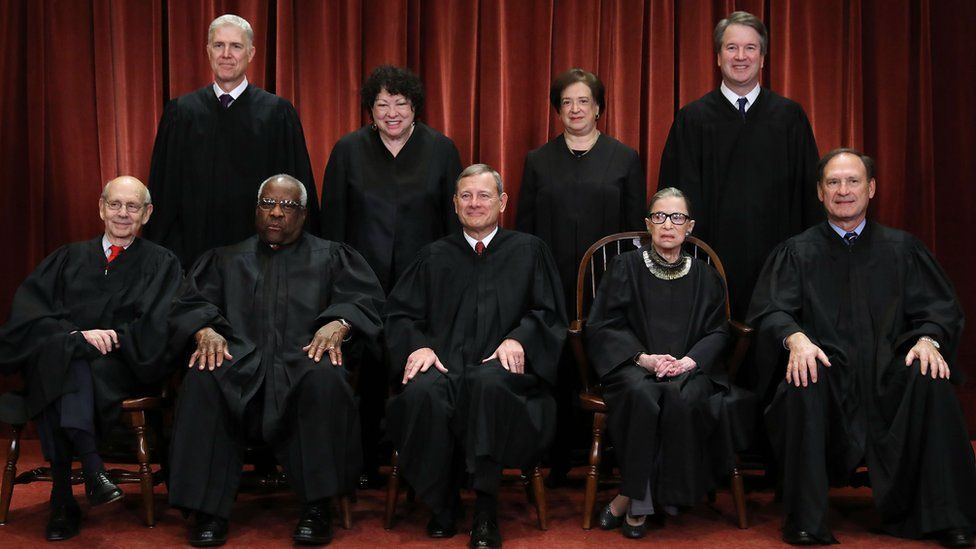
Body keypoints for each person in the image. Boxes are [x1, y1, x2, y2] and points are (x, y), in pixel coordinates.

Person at [747, 149, 976, 547]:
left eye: (853, 181)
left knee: (931, 376)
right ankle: (805, 519)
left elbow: (940, 310)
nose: (843, 190)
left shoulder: (902, 250)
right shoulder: (797, 253)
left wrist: (929, 339)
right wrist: (795, 338)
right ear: (819, 192)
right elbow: (770, 311)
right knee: (803, 378)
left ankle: (948, 517)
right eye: (833, 182)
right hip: (829, 376)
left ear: (871, 188)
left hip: (891, 377)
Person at [167, 175, 384, 546]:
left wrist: (341, 322)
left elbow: (365, 300)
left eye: (288, 206)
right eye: (268, 204)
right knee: (204, 376)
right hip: (238, 364)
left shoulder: (333, 256)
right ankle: (209, 510)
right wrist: (204, 329)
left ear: (303, 214)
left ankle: (318, 507)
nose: (276, 213)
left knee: (324, 378)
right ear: (257, 209)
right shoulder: (225, 258)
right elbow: (190, 304)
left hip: (302, 362)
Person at [384, 164, 566, 549]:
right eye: (465, 195)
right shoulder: (433, 256)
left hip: (503, 371)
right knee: (423, 393)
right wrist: (419, 345)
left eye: (484, 195)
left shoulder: (529, 251)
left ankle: (485, 508)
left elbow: (549, 314)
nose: (474, 203)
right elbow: (401, 314)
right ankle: (442, 502)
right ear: (454, 204)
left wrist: (520, 338)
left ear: (501, 202)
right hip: (444, 363)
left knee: (487, 385)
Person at [0, 176, 181, 541]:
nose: (122, 214)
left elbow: (158, 327)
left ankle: (63, 498)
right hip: (65, 357)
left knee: (63, 362)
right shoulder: (67, 257)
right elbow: (29, 315)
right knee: (65, 355)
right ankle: (93, 470)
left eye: (132, 207)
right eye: (115, 204)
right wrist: (76, 337)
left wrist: (106, 339)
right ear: (101, 208)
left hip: (120, 365)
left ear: (147, 214)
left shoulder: (161, 263)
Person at [320, 64, 462, 486]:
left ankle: (422, 466)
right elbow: (334, 226)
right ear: (371, 110)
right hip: (361, 283)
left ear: (414, 107)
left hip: (425, 284)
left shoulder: (442, 149)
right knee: (363, 375)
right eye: (382, 104)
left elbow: (453, 223)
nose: (391, 112)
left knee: (419, 372)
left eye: (400, 103)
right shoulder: (347, 150)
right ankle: (362, 463)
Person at [586, 187, 752, 538]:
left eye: (677, 217)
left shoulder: (706, 277)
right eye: (659, 216)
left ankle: (627, 497)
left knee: (681, 397)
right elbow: (603, 324)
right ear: (648, 223)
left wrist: (689, 362)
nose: (668, 224)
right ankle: (641, 504)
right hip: (634, 366)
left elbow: (718, 333)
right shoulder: (624, 267)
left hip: (687, 369)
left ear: (689, 226)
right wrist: (644, 358)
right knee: (644, 396)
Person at [516, 68, 646, 484]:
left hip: (607, 287)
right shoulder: (538, 161)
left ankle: (610, 454)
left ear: (599, 109)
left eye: (584, 101)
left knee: (605, 360)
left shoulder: (624, 158)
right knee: (555, 363)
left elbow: (634, 234)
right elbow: (526, 228)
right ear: (557, 110)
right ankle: (553, 454)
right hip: (551, 282)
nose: (575, 109)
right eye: (567, 102)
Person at [658, 11, 821, 322]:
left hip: (780, 265)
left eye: (751, 48)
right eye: (731, 48)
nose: (741, 56)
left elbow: (810, 197)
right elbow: (673, 200)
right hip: (709, 267)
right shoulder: (692, 120)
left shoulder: (790, 118)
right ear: (718, 57)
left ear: (763, 58)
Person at [147, 13, 317, 269]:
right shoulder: (181, 112)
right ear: (208, 52)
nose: (226, 54)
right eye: (219, 45)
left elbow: (297, 190)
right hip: (192, 255)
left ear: (250, 53)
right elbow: (163, 191)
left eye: (236, 46)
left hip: (262, 258)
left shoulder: (277, 113)